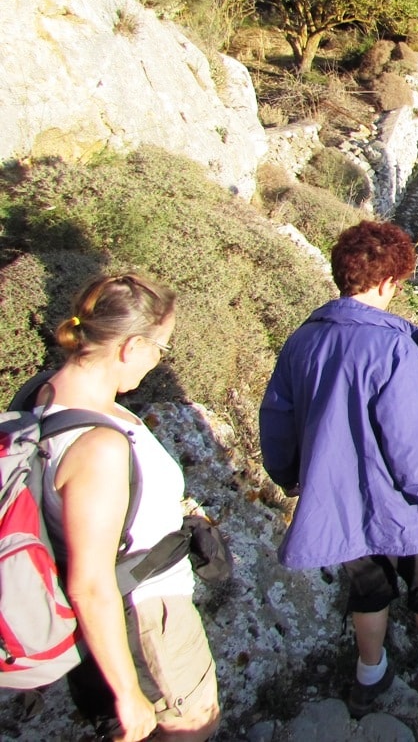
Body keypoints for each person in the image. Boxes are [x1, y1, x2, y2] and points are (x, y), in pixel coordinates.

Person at [258, 221, 418, 717]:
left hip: (332, 495)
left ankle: (370, 676)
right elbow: (406, 440)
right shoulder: (393, 346)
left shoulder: (302, 341)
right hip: (395, 500)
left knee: (367, 585)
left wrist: (288, 474)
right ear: (388, 281)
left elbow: (277, 417)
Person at [34, 273, 220, 742]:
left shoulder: (49, 393)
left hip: (135, 604)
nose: (159, 361)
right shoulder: (98, 447)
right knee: (190, 727)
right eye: (161, 349)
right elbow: (90, 584)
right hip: (145, 616)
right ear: (131, 347)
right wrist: (126, 692)